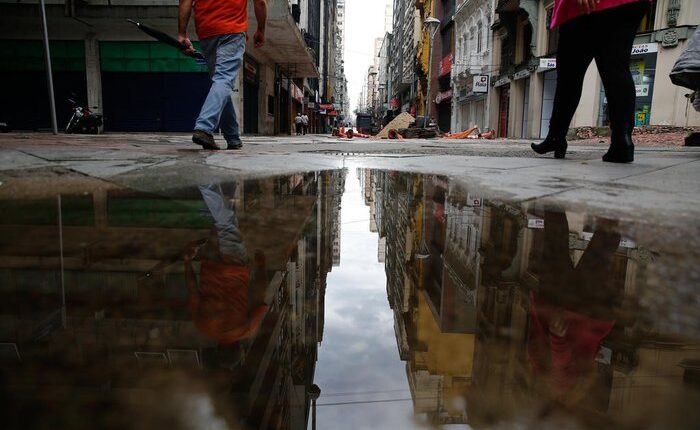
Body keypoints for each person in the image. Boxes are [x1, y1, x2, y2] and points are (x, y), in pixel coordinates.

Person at [531, 0, 650, 163]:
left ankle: (556, 137)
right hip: (627, 5)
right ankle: (622, 141)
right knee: (615, 68)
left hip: (587, 9)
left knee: (569, 75)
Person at [185, 183, 268, 345]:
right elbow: (193, 293)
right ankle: (227, 187)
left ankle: (206, 182)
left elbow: (259, 294)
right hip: (209, 266)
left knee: (226, 225)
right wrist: (187, 262)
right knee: (223, 224)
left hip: (235, 266)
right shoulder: (202, 326)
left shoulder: (246, 330)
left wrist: (261, 266)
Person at [178, 0, 268, 150]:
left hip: (206, 31)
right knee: (223, 80)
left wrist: (182, 33)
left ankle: (233, 137)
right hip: (232, 30)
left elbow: (185, 1)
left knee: (220, 82)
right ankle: (204, 127)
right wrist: (261, 30)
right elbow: (260, 2)